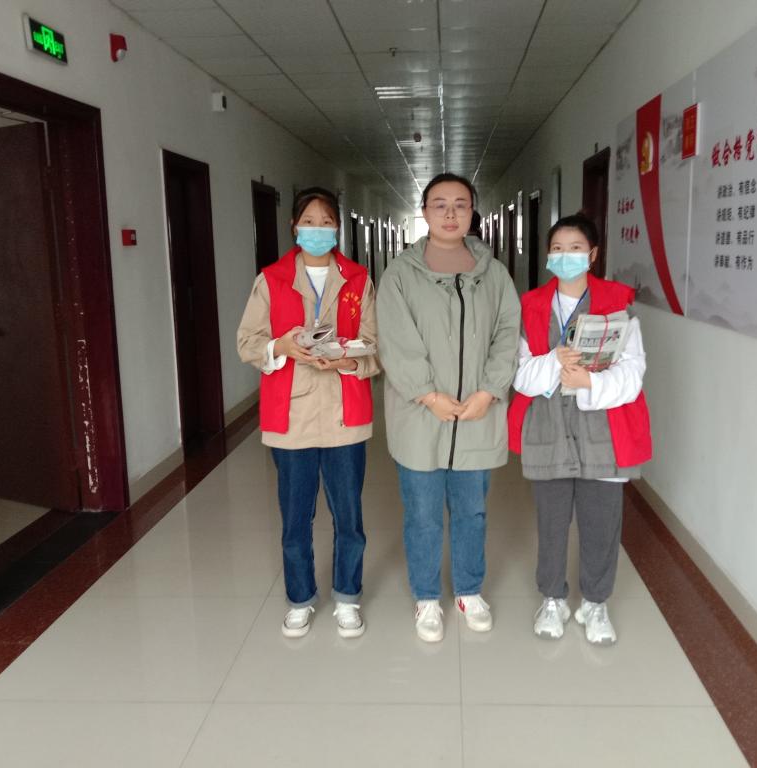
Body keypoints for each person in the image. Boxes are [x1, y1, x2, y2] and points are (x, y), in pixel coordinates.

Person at [377, 173, 520, 642]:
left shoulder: (494, 274)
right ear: (424, 213)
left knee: (471, 511)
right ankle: (425, 597)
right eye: (440, 204)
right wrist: (428, 394)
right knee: (422, 514)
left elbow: (507, 335)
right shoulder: (400, 274)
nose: (451, 213)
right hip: (421, 416)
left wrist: (489, 391)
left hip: (477, 415)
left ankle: (468, 590)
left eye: (461, 203)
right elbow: (395, 340)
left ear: (473, 211)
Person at [237, 186, 380, 639]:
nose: (318, 230)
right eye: (309, 222)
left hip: (344, 414)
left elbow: (376, 346)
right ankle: (300, 599)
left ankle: (347, 597)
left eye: (326, 222)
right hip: (292, 416)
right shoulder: (271, 279)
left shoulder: (358, 279)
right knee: (296, 518)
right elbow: (248, 343)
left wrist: (346, 360)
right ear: (294, 227)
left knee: (349, 517)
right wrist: (283, 345)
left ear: (337, 228)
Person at [508, 213, 652, 644]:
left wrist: (590, 383)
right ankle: (552, 598)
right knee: (551, 522)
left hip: (603, 430)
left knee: (601, 523)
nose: (565, 256)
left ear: (592, 255)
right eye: (557, 249)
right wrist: (553, 361)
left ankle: (595, 602)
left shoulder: (618, 304)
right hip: (549, 429)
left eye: (575, 249)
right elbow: (519, 374)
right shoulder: (531, 306)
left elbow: (633, 372)